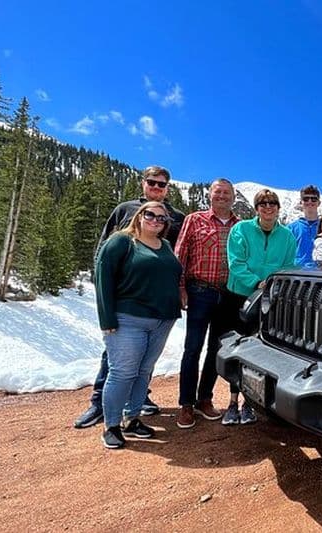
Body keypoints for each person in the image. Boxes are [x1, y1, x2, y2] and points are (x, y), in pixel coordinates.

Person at [74, 165, 186, 429]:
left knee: (145, 361)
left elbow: (177, 256)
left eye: (162, 184)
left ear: (168, 188)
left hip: (159, 308)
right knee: (117, 359)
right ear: (143, 183)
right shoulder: (124, 210)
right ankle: (98, 403)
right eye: (152, 182)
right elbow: (104, 252)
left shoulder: (177, 218)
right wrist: (107, 300)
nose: (157, 188)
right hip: (128, 304)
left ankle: (136, 403)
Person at [95, 201, 182, 449]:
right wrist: (106, 318)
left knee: (144, 370)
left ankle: (131, 418)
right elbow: (103, 277)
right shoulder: (122, 241)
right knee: (123, 372)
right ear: (139, 215)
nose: (156, 220)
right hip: (127, 318)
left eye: (162, 218)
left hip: (162, 319)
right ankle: (111, 425)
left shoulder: (164, 245)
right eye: (150, 215)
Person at [174, 179, 244, 429]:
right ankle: (185, 404)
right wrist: (180, 287)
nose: (222, 196)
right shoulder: (194, 220)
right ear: (210, 195)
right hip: (199, 291)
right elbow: (180, 255)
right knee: (192, 348)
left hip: (227, 296)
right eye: (218, 192)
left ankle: (205, 399)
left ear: (233, 197)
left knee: (215, 349)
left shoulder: (241, 226)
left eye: (227, 193)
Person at [224, 188, 297, 425]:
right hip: (241, 297)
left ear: (278, 208)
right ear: (256, 208)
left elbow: (289, 266)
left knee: (261, 352)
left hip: (271, 301)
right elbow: (236, 263)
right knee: (237, 350)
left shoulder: (286, 236)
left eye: (272, 203)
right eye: (263, 203)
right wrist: (258, 283)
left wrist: (273, 285)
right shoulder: (241, 230)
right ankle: (232, 403)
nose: (268, 207)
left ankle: (249, 404)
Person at [287, 185, 322, 267]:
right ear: (301, 202)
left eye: (313, 199)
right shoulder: (291, 228)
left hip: (321, 272)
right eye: (306, 199)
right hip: (298, 273)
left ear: (319, 203)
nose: (310, 202)